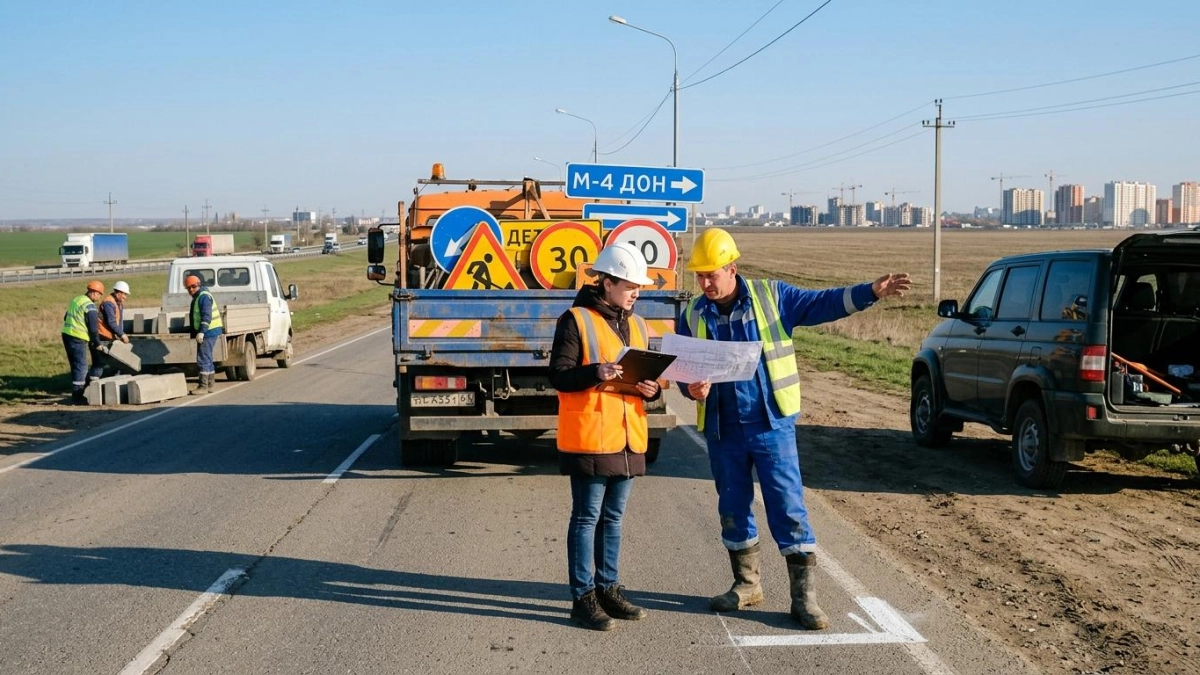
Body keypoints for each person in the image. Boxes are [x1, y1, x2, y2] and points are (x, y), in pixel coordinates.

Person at [677, 228, 911, 630]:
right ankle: (746, 584)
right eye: (699, 275)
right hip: (722, 428)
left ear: (733, 267)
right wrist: (690, 387)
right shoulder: (693, 314)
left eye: (711, 273)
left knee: (788, 507)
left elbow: (824, 303)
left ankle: (804, 599)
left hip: (771, 424)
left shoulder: (773, 297)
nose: (704, 283)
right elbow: (683, 368)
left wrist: (871, 291)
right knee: (732, 508)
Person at [549, 242, 661, 632]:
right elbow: (559, 375)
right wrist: (597, 371)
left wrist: (654, 390)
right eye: (630, 286)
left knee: (613, 520)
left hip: (629, 438)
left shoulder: (639, 324)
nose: (636, 293)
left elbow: (648, 378)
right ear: (608, 282)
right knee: (587, 518)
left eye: (639, 288)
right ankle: (583, 598)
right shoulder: (575, 320)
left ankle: (608, 589)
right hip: (591, 437)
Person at [61, 280, 106, 404]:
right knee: (81, 367)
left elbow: (66, 317)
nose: (99, 297)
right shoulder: (90, 307)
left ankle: (77, 392)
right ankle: (78, 396)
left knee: (75, 365)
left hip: (66, 335)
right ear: (93, 292)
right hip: (78, 338)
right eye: (99, 294)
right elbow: (93, 328)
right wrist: (97, 343)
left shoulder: (76, 300)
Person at [185, 274, 224, 394]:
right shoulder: (199, 296)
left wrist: (201, 332)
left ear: (199, 285)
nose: (191, 289)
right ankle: (211, 385)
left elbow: (207, 316)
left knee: (203, 359)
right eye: (188, 288)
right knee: (208, 358)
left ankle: (203, 386)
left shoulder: (203, 297)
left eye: (193, 286)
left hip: (208, 332)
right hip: (210, 331)